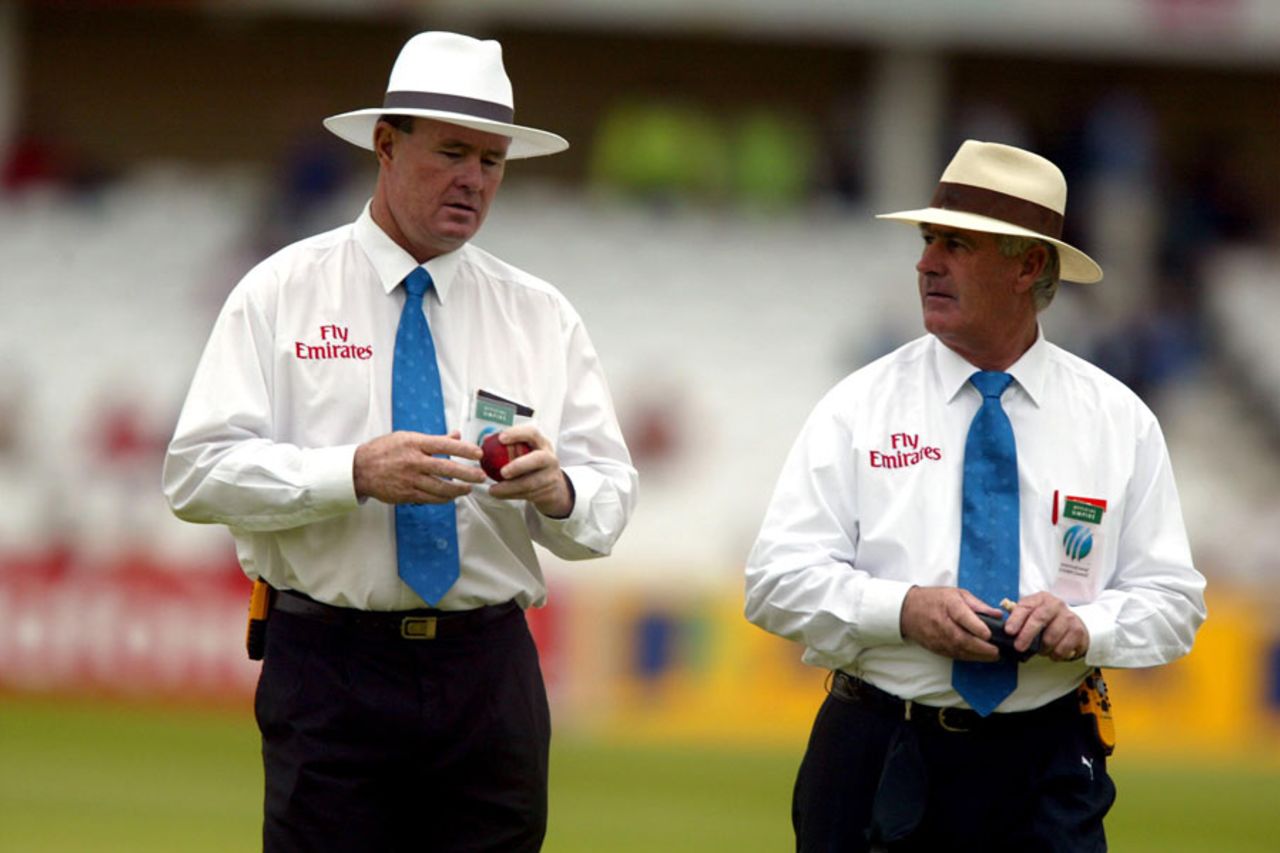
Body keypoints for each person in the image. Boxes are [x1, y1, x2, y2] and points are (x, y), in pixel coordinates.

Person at [163, 32, 636, 852]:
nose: (474, 180)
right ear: (386, 145)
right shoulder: (281, 292)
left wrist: (557, 491)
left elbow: (607, 499)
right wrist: (352, 472)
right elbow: (197, 474)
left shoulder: (539, 313)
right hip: (330, 667)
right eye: (452, 152)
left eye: (492, 161)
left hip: (489, 674)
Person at [744, 140, 1206, 852]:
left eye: (956, 244)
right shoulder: (858, 406)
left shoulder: (1119, 421)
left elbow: (1174, 602)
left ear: (1028, 265)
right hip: (878, 749)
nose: (926, 262)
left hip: (1048, 760)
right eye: (930, 240)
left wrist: (1087, 627)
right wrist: (903, 609)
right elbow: (774, 583)